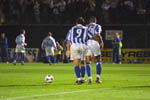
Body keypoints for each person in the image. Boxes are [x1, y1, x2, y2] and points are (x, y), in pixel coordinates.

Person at [66, 17, 90, 84]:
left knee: (76, 63)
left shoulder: (72, 29)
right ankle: (83, 78)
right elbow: (90, 37)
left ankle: (79, 79)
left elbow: (68, 40)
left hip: (74, 45)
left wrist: (68, 50)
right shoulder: (86, 28)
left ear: (76, 23)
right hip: (83, 45)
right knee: (82, 62)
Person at [86, 16, 104, 84]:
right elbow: (97, 34)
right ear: (95, 21)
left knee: (88, 61)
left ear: (90, 21)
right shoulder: (97, 26)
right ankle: (98, 78)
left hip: (87, 42)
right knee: (98, 60)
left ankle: (90, 79)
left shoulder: (86, 26)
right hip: (94, 42)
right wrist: (101, 41)